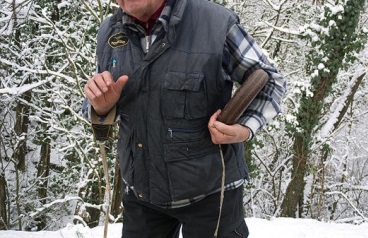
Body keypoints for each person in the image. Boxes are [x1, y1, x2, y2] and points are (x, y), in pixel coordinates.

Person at [82, 0, 286, 237]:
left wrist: (244, 128)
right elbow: (98, 98)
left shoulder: (216, 23)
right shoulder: (110, 31)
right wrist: (100, 106)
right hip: (141, 193)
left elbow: (270, 82)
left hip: (212, 193)